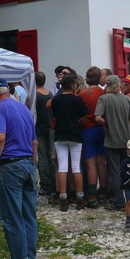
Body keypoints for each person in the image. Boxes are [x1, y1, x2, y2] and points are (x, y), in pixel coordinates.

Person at [0, 79, 38, 259]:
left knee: (12, 215)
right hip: (27, 163)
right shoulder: (23, 109)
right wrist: (32, 164)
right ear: (8, 90)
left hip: (10, 164)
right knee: (28, 215)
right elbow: (34, 141)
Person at [94, 75, 130, 210]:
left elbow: (97, 117)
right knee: (127, 169)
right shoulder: (126, 98)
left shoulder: (104, 98)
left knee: (114, 171)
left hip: (111, 139)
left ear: (108, 85)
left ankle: (118, 201)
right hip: (126, 138)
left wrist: (106, 123)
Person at [50, 72, 87, 211]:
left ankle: (63, 197)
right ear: (72, 85)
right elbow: (84, 117)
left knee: (62, 167)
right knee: (76, 167)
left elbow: (55, 115)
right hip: (75, 135)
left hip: (60, 135)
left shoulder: (56, 100)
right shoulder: (77, 100)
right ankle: (79, 197)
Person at [79, 66, 110, 207]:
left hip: (88, 130)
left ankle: (92, 193)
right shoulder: (104, 93)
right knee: (101, 163)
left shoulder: (83, 94)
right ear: (99, 78)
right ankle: (103, 191)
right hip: (102, 129)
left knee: (90, 164)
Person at [33, 71, 55, 200]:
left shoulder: (34, 95)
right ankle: (53, 183)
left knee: (41, 158)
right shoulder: (50, 94)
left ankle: (45, 185)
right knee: (50, 156)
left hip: (37, 129)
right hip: (49, 127)